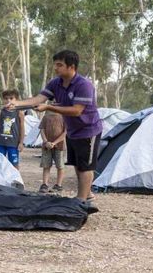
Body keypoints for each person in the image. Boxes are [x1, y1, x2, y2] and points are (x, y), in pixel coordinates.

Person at [7, 50, 102, 207]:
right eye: (55, 64)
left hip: (88, 131)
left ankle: (81, 201)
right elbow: (39, 98)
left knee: (86, 167)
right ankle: (87, 195)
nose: (56, 68)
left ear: (72, 67)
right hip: (73, 131)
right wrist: (18, 104)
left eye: (60, 65)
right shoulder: (55, 83)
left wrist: (49, 107)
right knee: (78, 165)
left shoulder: (84, 85)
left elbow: (77, 110)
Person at [38, 110, 66, 194]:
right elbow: (42, 130)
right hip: (47, 146)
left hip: (59, 145)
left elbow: (65, 133)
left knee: (60, 165)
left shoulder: (64, 117)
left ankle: (58, 185)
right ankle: (44, 184)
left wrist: (54, 143)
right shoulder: (46, 117)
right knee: (46, 165)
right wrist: (46, 142)